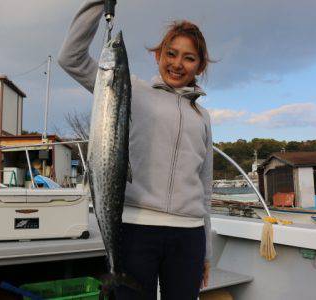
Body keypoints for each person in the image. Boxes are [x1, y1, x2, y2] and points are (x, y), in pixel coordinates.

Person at [58, 1, 213, 299]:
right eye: (171, 53)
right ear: (157, 55)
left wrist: (205, 252)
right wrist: (98, 5)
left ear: (200, 66)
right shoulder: (127, 87)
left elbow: (205, 189)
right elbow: (71, 59)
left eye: (189, 58)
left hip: (189, 236)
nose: (178, 64)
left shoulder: (203, 117)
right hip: (136, 230)